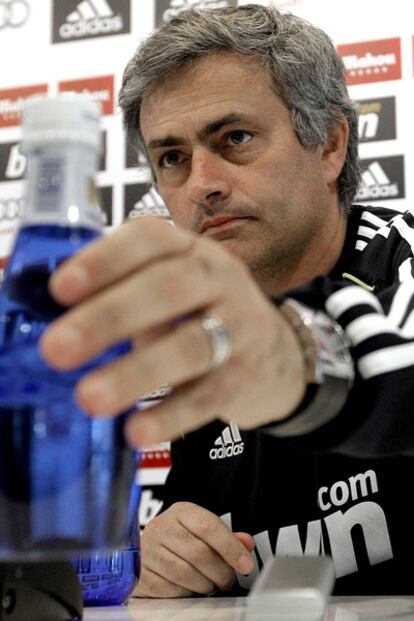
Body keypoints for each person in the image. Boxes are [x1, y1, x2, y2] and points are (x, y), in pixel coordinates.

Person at [40, 4, 414, 599]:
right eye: (172, 158)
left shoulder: (403, 267)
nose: (201, 184)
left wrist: (294, 358)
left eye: (234, 138)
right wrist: (161, 554)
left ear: (330, 145)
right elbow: (210, 557)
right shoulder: (196, 333)